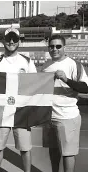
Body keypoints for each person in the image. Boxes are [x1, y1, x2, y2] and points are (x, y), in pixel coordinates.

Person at [0, 27, 37, 172]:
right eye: (8, 38)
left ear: (19, 41)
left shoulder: (27, 62)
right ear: (3, 40)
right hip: (0, 111)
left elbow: (33, 86)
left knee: (25, 148)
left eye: (14, 38)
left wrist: (32, 112)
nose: (11, 41)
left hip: (21, 111)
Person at [42, 34, 88, 172]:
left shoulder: (74, 65)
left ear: (64, 47)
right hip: (49, 116)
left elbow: (85, 88)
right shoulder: (46, 65)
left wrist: (66, 79)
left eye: (58, 46)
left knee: (68, 153)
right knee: (53, 150)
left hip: (67, 116)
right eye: (51, 46)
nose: (54, 49)